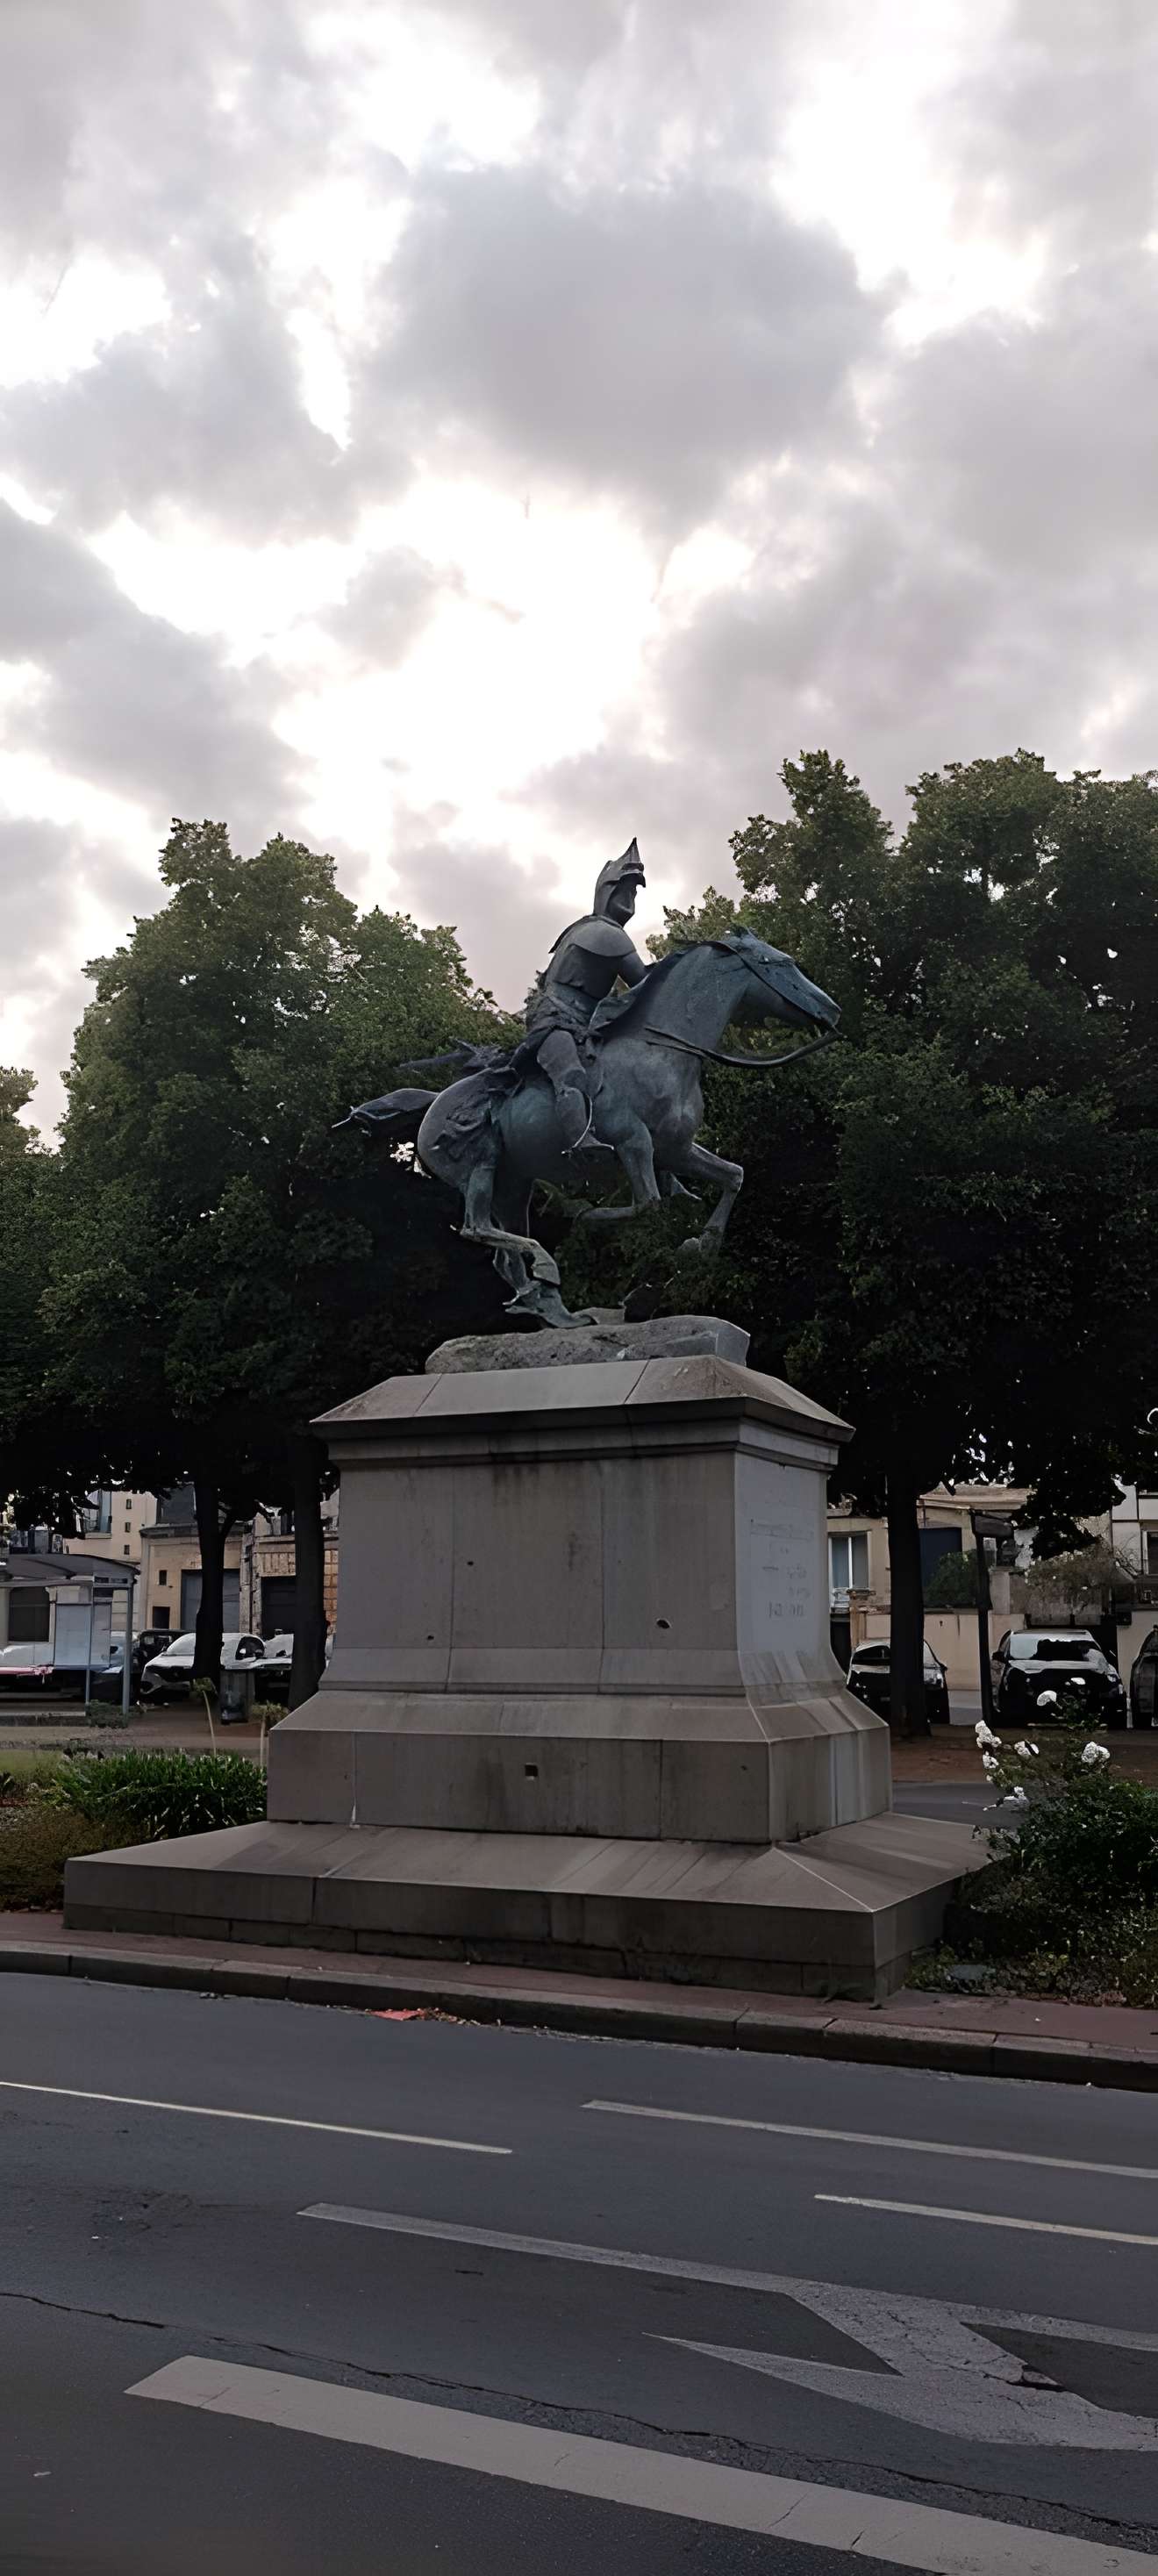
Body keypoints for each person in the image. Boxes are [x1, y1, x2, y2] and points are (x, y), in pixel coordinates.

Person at [521, 839, 648, 1156]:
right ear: (609, 892)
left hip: (585, 1025)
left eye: (634, 894)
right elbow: (645, 982)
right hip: (554, 1020)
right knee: (571, 1073)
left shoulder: (592, 928)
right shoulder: (603, 933)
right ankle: (582, 1146)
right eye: (627, 891)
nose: (631, 900)